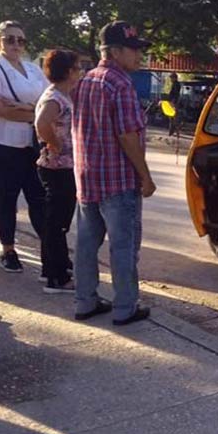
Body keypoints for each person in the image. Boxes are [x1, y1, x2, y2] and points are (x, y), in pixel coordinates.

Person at [73, 21, 156, 325]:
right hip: (118, 181)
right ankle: (125, 307)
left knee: (86, 244)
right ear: (116, 51)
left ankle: (85, 301)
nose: (139, 56)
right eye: (134, 50)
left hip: (87, 178)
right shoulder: (120, 84)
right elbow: (127, 136)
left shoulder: (86, 80)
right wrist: (145, 176)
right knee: (123, 247)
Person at [0, 21, 47, 273]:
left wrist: (26, 109)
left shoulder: (32, 69)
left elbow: (49, 103)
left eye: (20, 40)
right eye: (9, 39)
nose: (16, 44)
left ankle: (48, 250)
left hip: (32, 142)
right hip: (2, 143)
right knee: (7, 196)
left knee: (38, 197)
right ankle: (8, 249)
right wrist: (34, 112)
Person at [35, 50, 81, 294]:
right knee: (56, 222)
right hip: (57, 167)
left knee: (58, 220)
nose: (80, 72)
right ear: (68, 71)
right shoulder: (55, 98)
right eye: (77, 67)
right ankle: (56, 276)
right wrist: (55, 143)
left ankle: (55, 265)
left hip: (65, 166)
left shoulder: (64, 96)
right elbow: (42, 123)